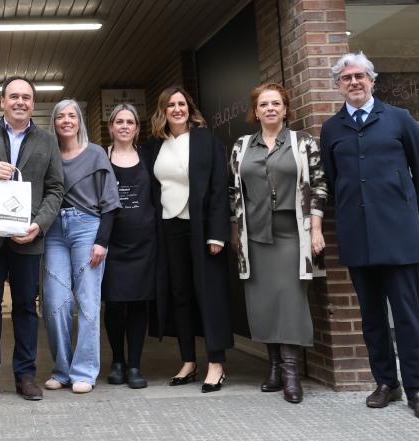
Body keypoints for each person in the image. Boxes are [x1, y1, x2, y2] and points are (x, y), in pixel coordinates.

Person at [320, 52, 419, 421]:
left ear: (372, 80)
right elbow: (333, 181)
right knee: (371, 318)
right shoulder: (331, 129)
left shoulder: (398, 119)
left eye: (360, 76)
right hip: (358, 237)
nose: (354, 82)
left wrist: (403, 212)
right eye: (346, 78)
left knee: (407, 317)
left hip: (398, 237)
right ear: (338, 85)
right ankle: (386, 382)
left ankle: (418, 389)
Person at [0, 76, 64, 402]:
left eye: (27, 97)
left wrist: (40, 224)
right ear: (2, 101)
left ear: (33, 104)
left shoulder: (47, 141)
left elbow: (56, 188)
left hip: (27, 237)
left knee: (25, 307)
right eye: (14, 97)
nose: (21, 102)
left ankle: (25, 375)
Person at [228, 83, 327, 404]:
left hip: (291, 234)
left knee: (290, 300)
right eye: (263, 104)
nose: (270, 109)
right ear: (254, 112)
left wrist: (316, 229)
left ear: (285, 109)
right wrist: (234, 233)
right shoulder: (242, 146)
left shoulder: (303, 143)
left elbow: (320, 186)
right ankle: (272, 368)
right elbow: (233, 193)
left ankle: (290, 373)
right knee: (263, 303)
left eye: (276, 104)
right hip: (254, 235)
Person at [144, 86, 232, 392]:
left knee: (207, 292)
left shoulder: (207, 140)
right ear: (163, 111)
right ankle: (188, 361)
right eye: (171, 105)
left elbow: (220, 187)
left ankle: (216, 363)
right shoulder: (155, 146)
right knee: (180, 294)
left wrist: (218, 234)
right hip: (169, 227)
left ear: (189, 108)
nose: (177, 109)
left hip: (202, 228)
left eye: (182, 104)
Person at [42, 99, 120, 394]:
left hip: (88, 228)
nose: (66, 120)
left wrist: (102, 241)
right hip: (54, 231)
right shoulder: (49, 157)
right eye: (60, 116)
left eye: (71, 115)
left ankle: (84, 371)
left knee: (88, 301)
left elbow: (111, 203)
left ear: (79, 121)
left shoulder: (97, 153)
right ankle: (61, 370)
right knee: (55, 301)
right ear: (54, 122)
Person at [102, 104, 158, 390]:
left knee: (138, 304)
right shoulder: (101, 157)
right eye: (119, 122)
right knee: (114, 303)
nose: (124, 126)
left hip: (145, 242)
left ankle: (135, 364)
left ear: (137, 128)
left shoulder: (148, 156)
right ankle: (117, 361)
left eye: (130, 122)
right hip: (112, 243)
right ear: (111, 127)